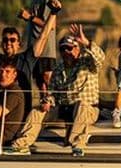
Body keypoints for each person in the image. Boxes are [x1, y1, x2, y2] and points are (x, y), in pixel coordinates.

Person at [6, 24, 105, 157]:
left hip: (88, 109)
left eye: (69, 48)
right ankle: (21, 145)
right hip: (64, 108)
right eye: (62, 49)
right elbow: (53, 93)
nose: (66, 52)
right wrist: (47, 101)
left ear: (77, 49)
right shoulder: (58, 69)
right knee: (37, 111)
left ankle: (77, 146)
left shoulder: (88, 63)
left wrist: (86, 42)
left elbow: (100, 58)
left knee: (82, 105)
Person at [18, 0, 57, 93]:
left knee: (47, 79)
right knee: (39, 81)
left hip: (46, 49)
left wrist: (29, 17)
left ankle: (54, 105)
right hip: (34, 47)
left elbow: (50, 25)